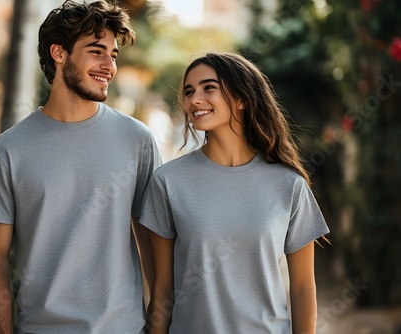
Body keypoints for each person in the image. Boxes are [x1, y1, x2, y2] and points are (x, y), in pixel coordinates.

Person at [0, 1, 161, 333]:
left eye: (113, 55)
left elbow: (154, 249)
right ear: (59, 53)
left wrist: (158, 326)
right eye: (96, 51)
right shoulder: (5, 152)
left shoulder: (137, 140)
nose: (109, 66)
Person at [140, 52, 330, 334]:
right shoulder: (168, 182)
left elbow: (302, 288)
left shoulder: (288, 184)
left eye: (209, 87)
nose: (194, 100)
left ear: (241, 99)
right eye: (189, 91)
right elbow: (163, 289)